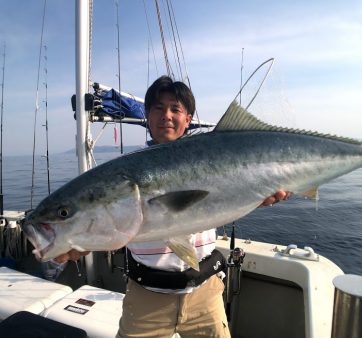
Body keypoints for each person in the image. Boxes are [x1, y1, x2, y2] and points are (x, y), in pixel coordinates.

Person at [56, 76, 290, 337]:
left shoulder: (213, 157)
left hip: (205, 294)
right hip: (146, 300)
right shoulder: (123, 174)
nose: (166, 115)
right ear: (146, 116)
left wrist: (258, 197)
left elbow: (224, 198)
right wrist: (82, 240)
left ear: (188, 119)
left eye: (175, 109)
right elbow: (116, 221)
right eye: (158, 108)